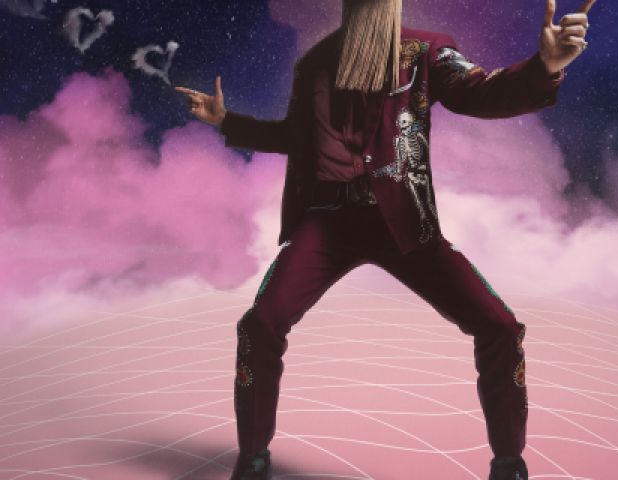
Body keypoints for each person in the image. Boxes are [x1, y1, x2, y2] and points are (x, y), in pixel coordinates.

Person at [175, 0, 596, 478]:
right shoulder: (315, 63)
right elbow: (298, 137)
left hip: (402, 222)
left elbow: (481, 92)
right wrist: (227, 122)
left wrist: (544, 67)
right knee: (259, 325)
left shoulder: (426, 52)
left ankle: (509, 463)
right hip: (328, 221)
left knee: (499, 326)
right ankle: (252, 457)